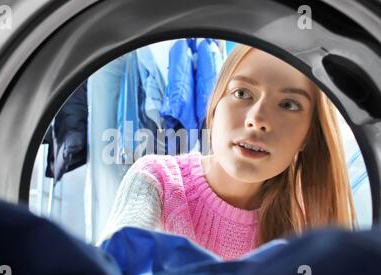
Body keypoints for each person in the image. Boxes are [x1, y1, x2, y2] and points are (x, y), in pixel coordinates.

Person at [99, 44, 356, 260]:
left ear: (308, 136)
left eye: (288, 104)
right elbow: (116, 265)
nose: (257, 119)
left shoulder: (307, 224)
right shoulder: (156, 179)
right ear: (214, 106)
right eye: (241, 93)